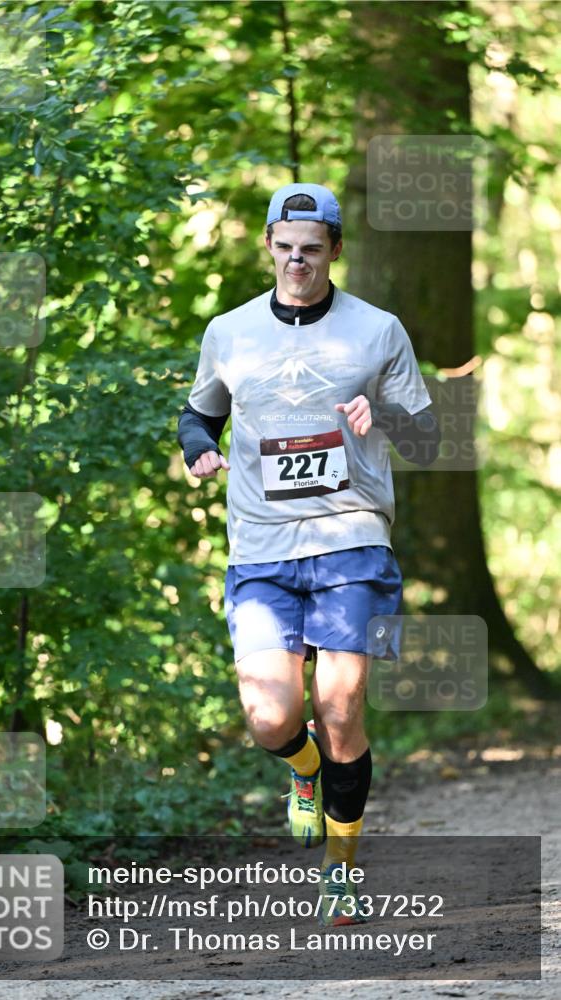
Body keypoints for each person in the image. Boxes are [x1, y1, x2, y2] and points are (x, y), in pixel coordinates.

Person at [177, 182, 440, 927]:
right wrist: (199, 451)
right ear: (268, 245)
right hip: (259, 547)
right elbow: (200, 414)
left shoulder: (377, 330)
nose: (297, 263)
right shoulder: (229, 331)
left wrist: (381, 412)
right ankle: (304, 770)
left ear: (334, 251)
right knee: (269, 717)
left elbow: (425, 440)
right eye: (284, 249)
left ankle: (341, 867)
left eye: (311, 251)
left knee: (341, 703)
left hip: (350, 537)